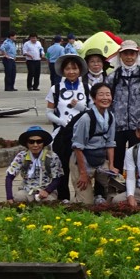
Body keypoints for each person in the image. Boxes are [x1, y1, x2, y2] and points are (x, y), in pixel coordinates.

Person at [107, 39, 140, 168]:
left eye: (132, 53)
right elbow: (107, 99)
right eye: (126, 54)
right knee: (118, 156)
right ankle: (118, 184)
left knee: (139, 156)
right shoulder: (114, 76)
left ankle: (139, 183)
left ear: (136, 55)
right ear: (121, 55)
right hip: (118, 124)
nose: (129, 57)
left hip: (139, 123)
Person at [46, 53, 89, 201]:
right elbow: (49, 112)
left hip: (81, 133)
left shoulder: (87, 87)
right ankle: (63, 196)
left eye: (74, 68)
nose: (71, 71)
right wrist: (61, 122)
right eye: (68, 69)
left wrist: (79, 106)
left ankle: (81, 196)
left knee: (79, 166)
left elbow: (91, 110)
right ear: (63, 71)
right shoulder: (55, 89)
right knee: (62, 166)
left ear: (80, 70)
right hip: (62, 133)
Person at [71, 81, 118, 205]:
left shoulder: (111, 117)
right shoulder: (86, 118)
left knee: (119, 184)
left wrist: (111, 165)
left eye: (108, 94)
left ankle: (102, 199)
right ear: (93, 98)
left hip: (100, 159)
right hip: (82, 159)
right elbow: (77, 147)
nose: (105, 98)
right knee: (86, 203)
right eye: (101, 95)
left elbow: (110, 143)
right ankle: (80, 199)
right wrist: (83, 173)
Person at [5, 126, 63, 203]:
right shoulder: (22, 156)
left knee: (48, 202)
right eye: (31, 142)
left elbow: (57, 178)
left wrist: (47, 191)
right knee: (19, 198)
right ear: (27, 143)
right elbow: (9, 176)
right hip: (27, 191)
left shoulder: (52, 157)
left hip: (46, 191)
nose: (35, 145)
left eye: (39, 141)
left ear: (43, 143)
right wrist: (9, 197)